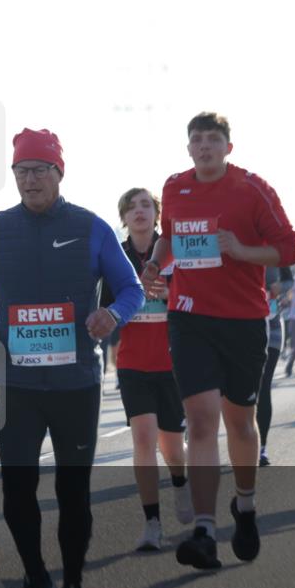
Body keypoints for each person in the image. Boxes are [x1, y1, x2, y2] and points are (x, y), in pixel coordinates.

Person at [0, 128, 144, 588]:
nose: (30, 179)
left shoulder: (92, 227)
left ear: (59, 173)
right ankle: (35, 579)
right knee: (17, 491)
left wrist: (112, 316)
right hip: (19, 385)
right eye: (22, 171)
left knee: (73, 493)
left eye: (40, 170)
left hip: (76, 385)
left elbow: (130, 289)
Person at [141, 112, 295, 570]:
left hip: (244, 321)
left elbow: (288, 249)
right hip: (189, 318)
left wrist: (242, 250)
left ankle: (245, 505)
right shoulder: (174, 187)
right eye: (197, 140)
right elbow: (169, 238)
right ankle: (205, 530)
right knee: (201, 419)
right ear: (188, 148)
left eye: (214, 139)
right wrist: (155, 264)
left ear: (228, 147)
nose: (205, 146)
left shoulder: (252, 188)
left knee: (241, 423)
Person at [102, 188, 192, 552]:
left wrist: (168, 295)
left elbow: (193, 300)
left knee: (172, 448)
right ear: (123, 217)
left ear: (157, 215)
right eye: (130, 207)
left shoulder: (175, 252)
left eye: (145, 206)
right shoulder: (115, 257)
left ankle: (181, 484)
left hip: (172, 362)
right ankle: (151, 523)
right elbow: (105, 306)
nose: (138, 212)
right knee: (143, 438)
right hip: (133, 362)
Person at [257, 266, 293, 466]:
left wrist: (280, 289)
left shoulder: (274, 246)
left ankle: (261, 447)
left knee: (263, 386)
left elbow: (289, 281)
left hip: (271, 328)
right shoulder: (232, 242)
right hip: (238, 327)